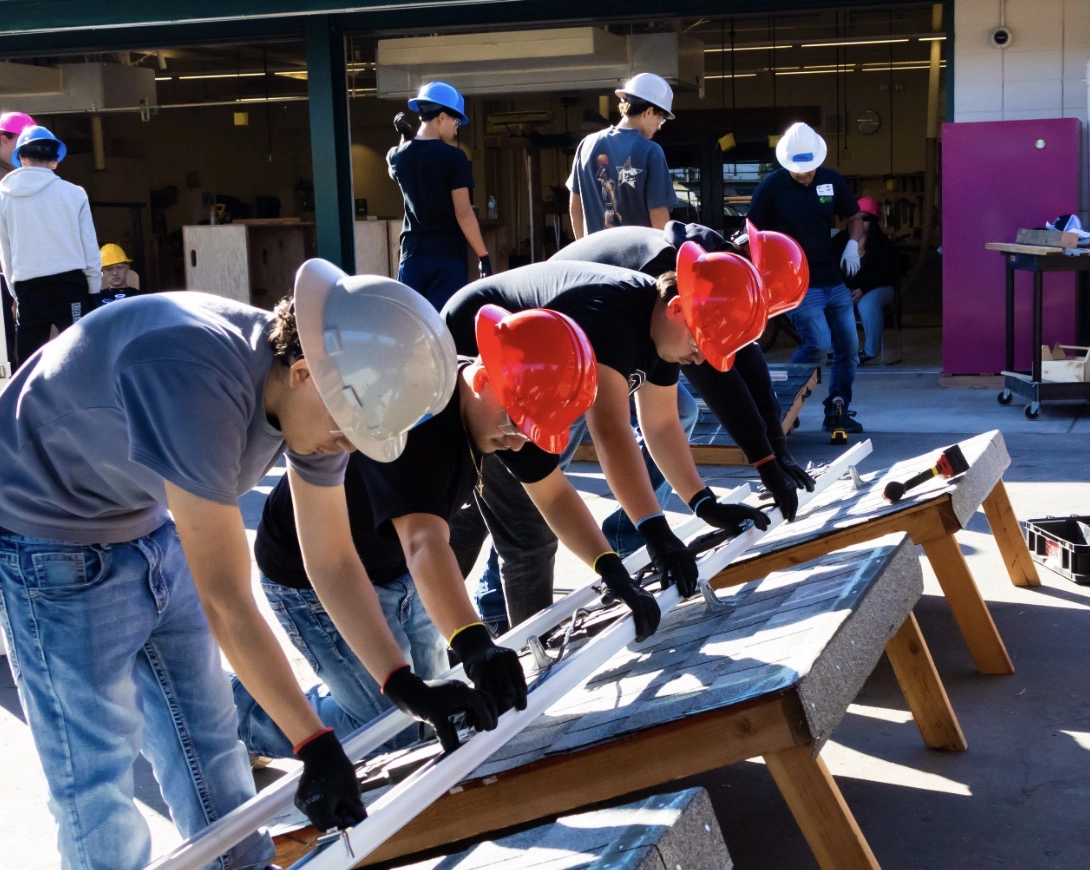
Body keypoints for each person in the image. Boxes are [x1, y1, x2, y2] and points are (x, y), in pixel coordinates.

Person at [0, 258, 496, 869]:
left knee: (207, 741)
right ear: (305, 372)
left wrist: (406, 686)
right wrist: (313, 743)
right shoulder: (197, 381)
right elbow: (228, 602)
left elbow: (333, 561)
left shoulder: (313, 408)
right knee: (95, 773)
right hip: (46, 535)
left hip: (144, 518)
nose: (345, 450)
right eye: (346, 433)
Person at [234, 304, 667, 760]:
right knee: (393, 731)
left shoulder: (500, 412)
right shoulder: (421, 413)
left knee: (438, 708)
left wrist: (612, 571)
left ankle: (328, 699)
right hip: (313, 579)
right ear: (482, 381)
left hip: (396, 570)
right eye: (517, 425)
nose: (519, 442)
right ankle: (247, 712)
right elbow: (424, 541)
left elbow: (554, 495)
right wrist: (476, 645)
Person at [441, 257, 771, 631]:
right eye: (699, 344)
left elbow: (661, 425)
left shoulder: (661, 329)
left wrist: (703, 502)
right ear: (678, 309)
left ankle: (454, 620)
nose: (699, 359)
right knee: (527, 534)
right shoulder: (611, 324)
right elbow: (611, 434)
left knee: (481, 504)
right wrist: (655, 531)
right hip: (485, 362)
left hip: (529, 375)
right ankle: (529, 659)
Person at [551, 220, 816, 520]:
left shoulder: (717, 263)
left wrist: (777, 449)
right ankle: (551, 512)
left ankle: (632, 529)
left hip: (604, 337)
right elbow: (717, 382)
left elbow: (750, 364)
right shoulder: (687, 271)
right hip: (561, 334)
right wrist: (765, 462)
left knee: (678, 413)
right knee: (550, 453)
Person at [747, 122, 865, 434]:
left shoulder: (831, 181)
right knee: (818, 343)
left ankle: (838, 408)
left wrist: (854, 245)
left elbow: (854, 218)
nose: (806, 175)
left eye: (811, 169)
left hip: (832, 278)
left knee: (849, 347)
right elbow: (752, 232)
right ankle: (783, 402)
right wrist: (764, 274)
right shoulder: (772, 186)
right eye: (799, 171)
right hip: (795, 282)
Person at [0, 125, 100, 365]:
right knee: (80, 359)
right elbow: (90, 247)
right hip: (71, 287)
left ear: (21, 158)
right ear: (56, 160)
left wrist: (15, 292)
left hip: (28, 289)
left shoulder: (3, 197)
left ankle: (31, 404)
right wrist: (94, 290)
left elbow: (5, 250)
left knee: (29, 364)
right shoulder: (75, 193)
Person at [389, 81, 493, 310]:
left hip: (412, 257)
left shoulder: (398, 157)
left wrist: (407, 136)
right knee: (444, 328)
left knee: (412, 326)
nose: (457, 127)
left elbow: (396, 162)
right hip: (447, 259)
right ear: (442, 117)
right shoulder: (454, 158)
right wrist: (483, 256)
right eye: (456, 120)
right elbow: (464, 213)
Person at [567, 72, 678, 239]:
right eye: (660, 119)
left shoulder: (586, 145)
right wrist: (666, 258)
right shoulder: (651, 151)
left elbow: (575, 205)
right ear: (648, 112)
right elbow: (658, 213)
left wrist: (583, 248)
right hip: (636, 261)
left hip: (593, 260)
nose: (659, 127)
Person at [835, 196, 902, 365]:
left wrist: (863, 289)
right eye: (854, 218)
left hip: (879, 288)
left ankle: (870, 351)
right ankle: (833, 350)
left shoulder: (882, 244)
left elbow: (884, 273)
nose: (858, 222)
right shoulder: (838, 241)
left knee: (867, 304)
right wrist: (844, 288)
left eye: (864, 218)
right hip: (848, 289)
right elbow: (831, 268)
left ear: (872, 221)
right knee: (831, 301)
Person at [0, 110, 35, 372]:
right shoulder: (9, 181)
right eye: (21, 142)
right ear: (3, 139)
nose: (26, 150)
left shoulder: (15, 178)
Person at [94, 242, 143, 306]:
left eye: (119, 267)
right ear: (102, 272)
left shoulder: (140, 297)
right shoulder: (95, 300)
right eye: (109, 269)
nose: (115, 273)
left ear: (127, 268)